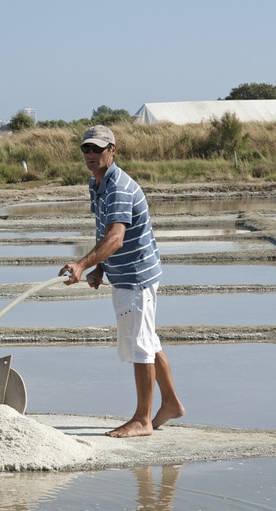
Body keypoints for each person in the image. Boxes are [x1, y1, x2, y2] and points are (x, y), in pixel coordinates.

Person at [59, 125, 185, 438]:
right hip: (127, 274)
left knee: (141, 346)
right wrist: (100, 269)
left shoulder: (118, 187)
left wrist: (82, 264)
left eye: (98, 149)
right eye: (86, 149)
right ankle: (170, 403)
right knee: (148, 340)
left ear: (112, 150)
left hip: (136, 277)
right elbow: (103, 228)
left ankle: (143, 419)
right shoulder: (97, 183)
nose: (91, 155)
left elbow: (116, 238)